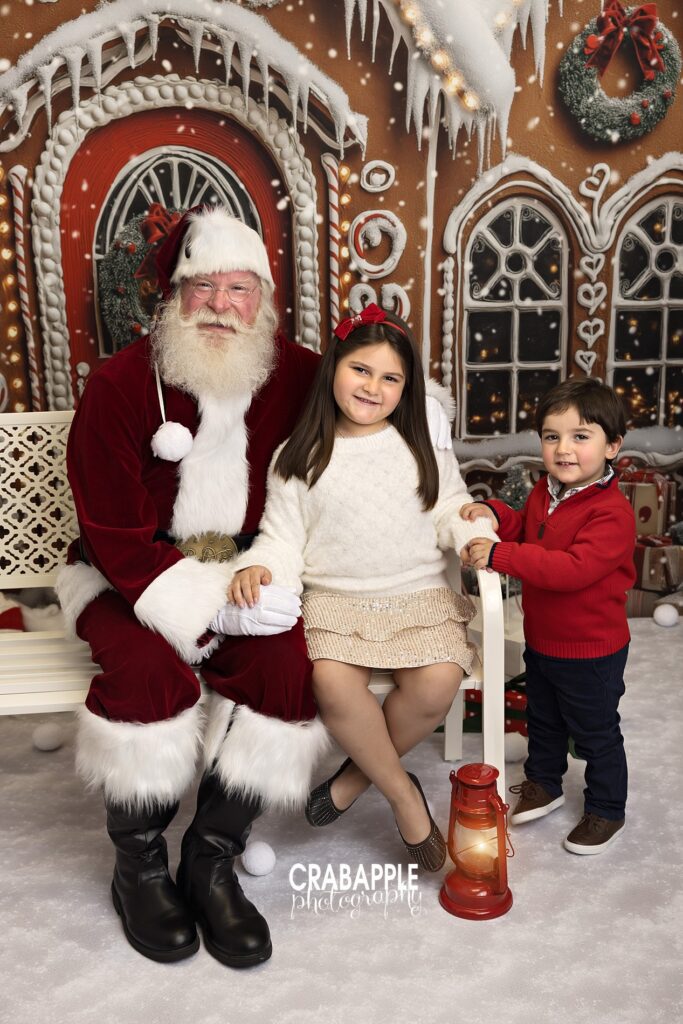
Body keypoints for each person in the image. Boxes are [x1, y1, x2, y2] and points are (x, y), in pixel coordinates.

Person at [57, 206, 454, 965]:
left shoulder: (304, 374)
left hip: (252, 571)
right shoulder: (117, 385)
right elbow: (110, 533)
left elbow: (381, 410)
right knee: (146, 673)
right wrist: (196, 612)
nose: (218, 304)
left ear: (263, 299)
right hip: (128, 574)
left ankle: (210, 859)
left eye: (238, 288)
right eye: (201, 286)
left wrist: (436, 453)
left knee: (288, 669)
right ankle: (138, 866)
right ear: (173, 296)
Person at [228, 305, 499, 870]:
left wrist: (473, 524)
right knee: (329, 680)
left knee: (436, 682)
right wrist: (260, 566)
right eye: (361, 370)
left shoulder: (421, 445)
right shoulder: (298, 457)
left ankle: (352, 780)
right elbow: (281, 540)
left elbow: (450, 508)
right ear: (333, 370)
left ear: (407, 388)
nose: (373, 387)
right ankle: (405, 797)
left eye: (391, 378)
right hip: (336, 600)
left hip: (417, 594)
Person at [461, 378, 636, 855]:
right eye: (552, 436)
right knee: (544, 719)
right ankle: (544, 782)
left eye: (581, 436)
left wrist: (502, 556)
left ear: (612, 445)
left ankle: (606, 808)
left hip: (591, 649)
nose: (563, 449)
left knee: (595, 731)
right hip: (543, 640)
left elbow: (570, 569)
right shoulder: (548, 489)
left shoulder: (611, 513)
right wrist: (496, 514)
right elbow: (529, 528)